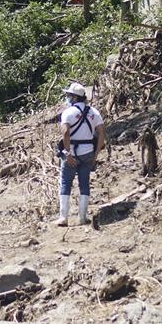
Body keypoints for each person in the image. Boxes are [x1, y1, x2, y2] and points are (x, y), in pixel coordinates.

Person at [57, 82, 106, 226]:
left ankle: (63, 218)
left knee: (66, 183)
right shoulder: (94, 112)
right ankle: (82, 218)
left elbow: (66, 133)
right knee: (84, 183)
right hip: (88, 152)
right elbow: (102, 132)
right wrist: (96, 153)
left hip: (71, 152)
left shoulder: (68, 112)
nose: (67, 97)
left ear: (74, 97)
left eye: (69, 95)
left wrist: (68, 153)